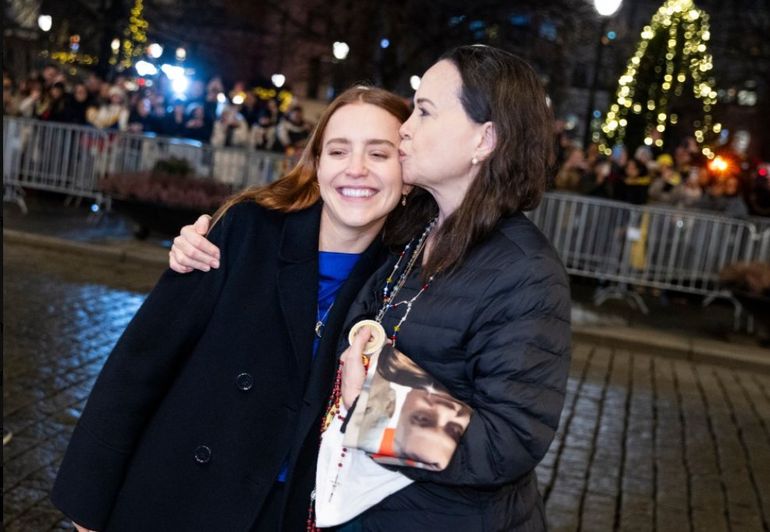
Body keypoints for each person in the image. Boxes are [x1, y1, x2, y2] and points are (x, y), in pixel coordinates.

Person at [172, 45, 571, 531]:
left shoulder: (525, 270)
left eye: (424, 112)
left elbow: (511, 441)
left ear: (485, 139)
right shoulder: (414, 230)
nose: (405, 128)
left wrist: (379, 406)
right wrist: (207, 242)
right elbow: (324, 233)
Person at [51, 86, 413, 531]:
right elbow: (139, 366)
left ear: (408, 171)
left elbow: (393, 435)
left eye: (379, 154)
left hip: (292, 515)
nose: (355, 169)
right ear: (317, 165)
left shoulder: (408, 279)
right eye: (338, 151)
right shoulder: (247, 229)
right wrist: (87, 511)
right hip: (175, 498)